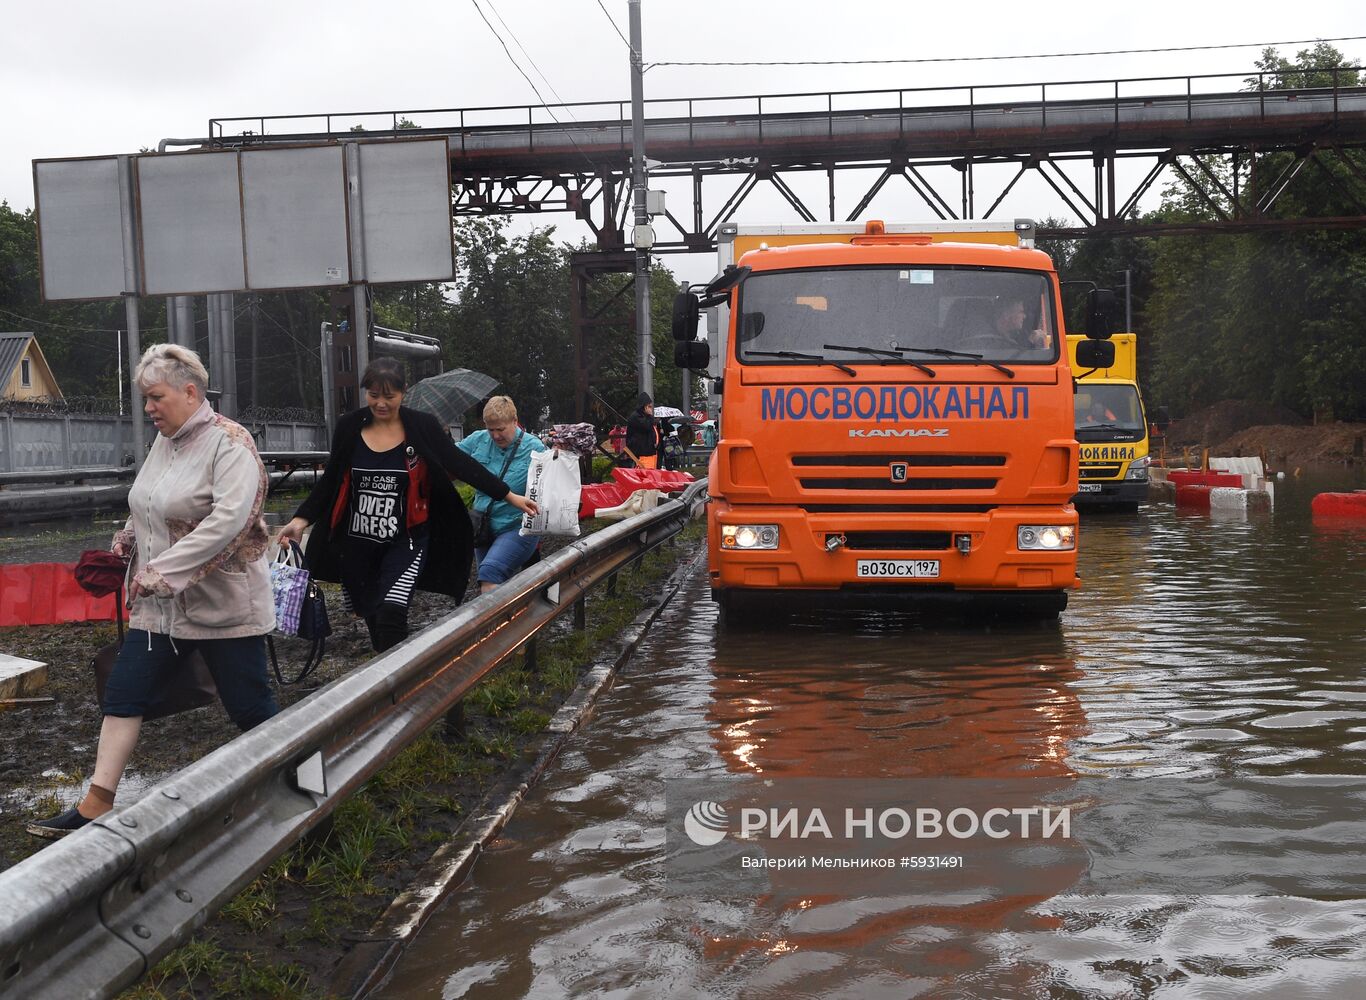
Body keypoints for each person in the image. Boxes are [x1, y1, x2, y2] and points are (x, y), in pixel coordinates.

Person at [28, 345, 279, 839]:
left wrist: (161, 572)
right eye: (146, 399)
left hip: (223, 607)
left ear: (190, 392)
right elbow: (145, 505)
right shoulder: (166, 442)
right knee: (123, 693)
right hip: (158, 610)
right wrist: (122, 550)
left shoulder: (231, 444)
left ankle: (308, 784)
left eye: (156, 397)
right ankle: (96, 803)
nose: (149, 409)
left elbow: (230, 522)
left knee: (250, 708)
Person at [277, 358, 537, 653]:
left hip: (407, 541)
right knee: (373, 618)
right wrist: (300, 520)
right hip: (358, 544)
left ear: (403, 393)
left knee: (392, 614)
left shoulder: (420, 426)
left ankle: (402, 689)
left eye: (389, 396)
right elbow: (332, 479)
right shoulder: (350, 427)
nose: (381, 403)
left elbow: (460, 463)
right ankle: (388, 676)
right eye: (374, 395)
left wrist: (508, 495)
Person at [458, 396, 547, 594]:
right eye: (491, 430)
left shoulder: (535, 448)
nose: (496, 436)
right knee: (488, 579)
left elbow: (550, 485)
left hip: (517, 525)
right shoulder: (478, 440)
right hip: (483, 527)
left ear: (514, 422)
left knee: (490, 573)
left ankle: (502, 624)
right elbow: (450, 456)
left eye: (501, 429)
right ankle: (515, 618)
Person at [985, 296, 1051, 352]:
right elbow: (1012, 360)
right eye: (1021, 312)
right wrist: (1030, 341)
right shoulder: (989, 340)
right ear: (1006, 315)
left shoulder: (1017, 334)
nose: (1024, 316)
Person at [625, 392, 660, 469]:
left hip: (649, 452)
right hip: (640, 453)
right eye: (649, 406)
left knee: (650, 474)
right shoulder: (636, 417)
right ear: (644, 406)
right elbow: (646, 427)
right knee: (644, 476)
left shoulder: (645, 417)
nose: (651, 409)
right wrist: (650, 416)